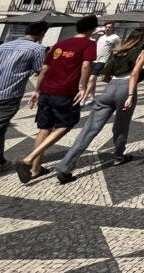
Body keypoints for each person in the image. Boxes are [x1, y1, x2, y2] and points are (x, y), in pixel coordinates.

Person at [56, 27, 144, 183]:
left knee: (89, 129)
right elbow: (134, 74)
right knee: (121, 126)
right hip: (125, 89)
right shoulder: (142, 52)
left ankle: (65, 166)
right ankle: (119, 157)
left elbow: (104, 77)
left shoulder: (117, 52)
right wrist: (131, 95)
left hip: (110, 89)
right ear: (142, 38)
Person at [16, 15, 98, 184]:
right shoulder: (89, 44)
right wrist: (83, 88)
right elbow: (85, 65)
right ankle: (28, 160)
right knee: (66, 124)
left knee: (44, 128)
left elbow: (45, 68)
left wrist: (37, 90)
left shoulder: (59, 44)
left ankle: (36, 169)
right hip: (65, 92)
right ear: (92, 30)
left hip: (46, 91)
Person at [0, 22, 47, 174]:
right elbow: (40, 70)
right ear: (42, 34)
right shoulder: (37, 48)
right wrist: (38, 90)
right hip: (9, 95)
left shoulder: (3, 46)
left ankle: (0, 163)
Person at [89, 22, 120, 99]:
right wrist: (99, 30)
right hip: (94, 59)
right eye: (106, 27)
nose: (107, 28)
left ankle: (84, 96)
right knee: (93, 80)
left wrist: (114, 61)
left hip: (103, 60)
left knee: (92, 78)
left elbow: (118, 50)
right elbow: (91, 34)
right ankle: (92, 97)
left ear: (113, 28)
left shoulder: (115, 37)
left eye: (109, 27)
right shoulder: (101, 37)